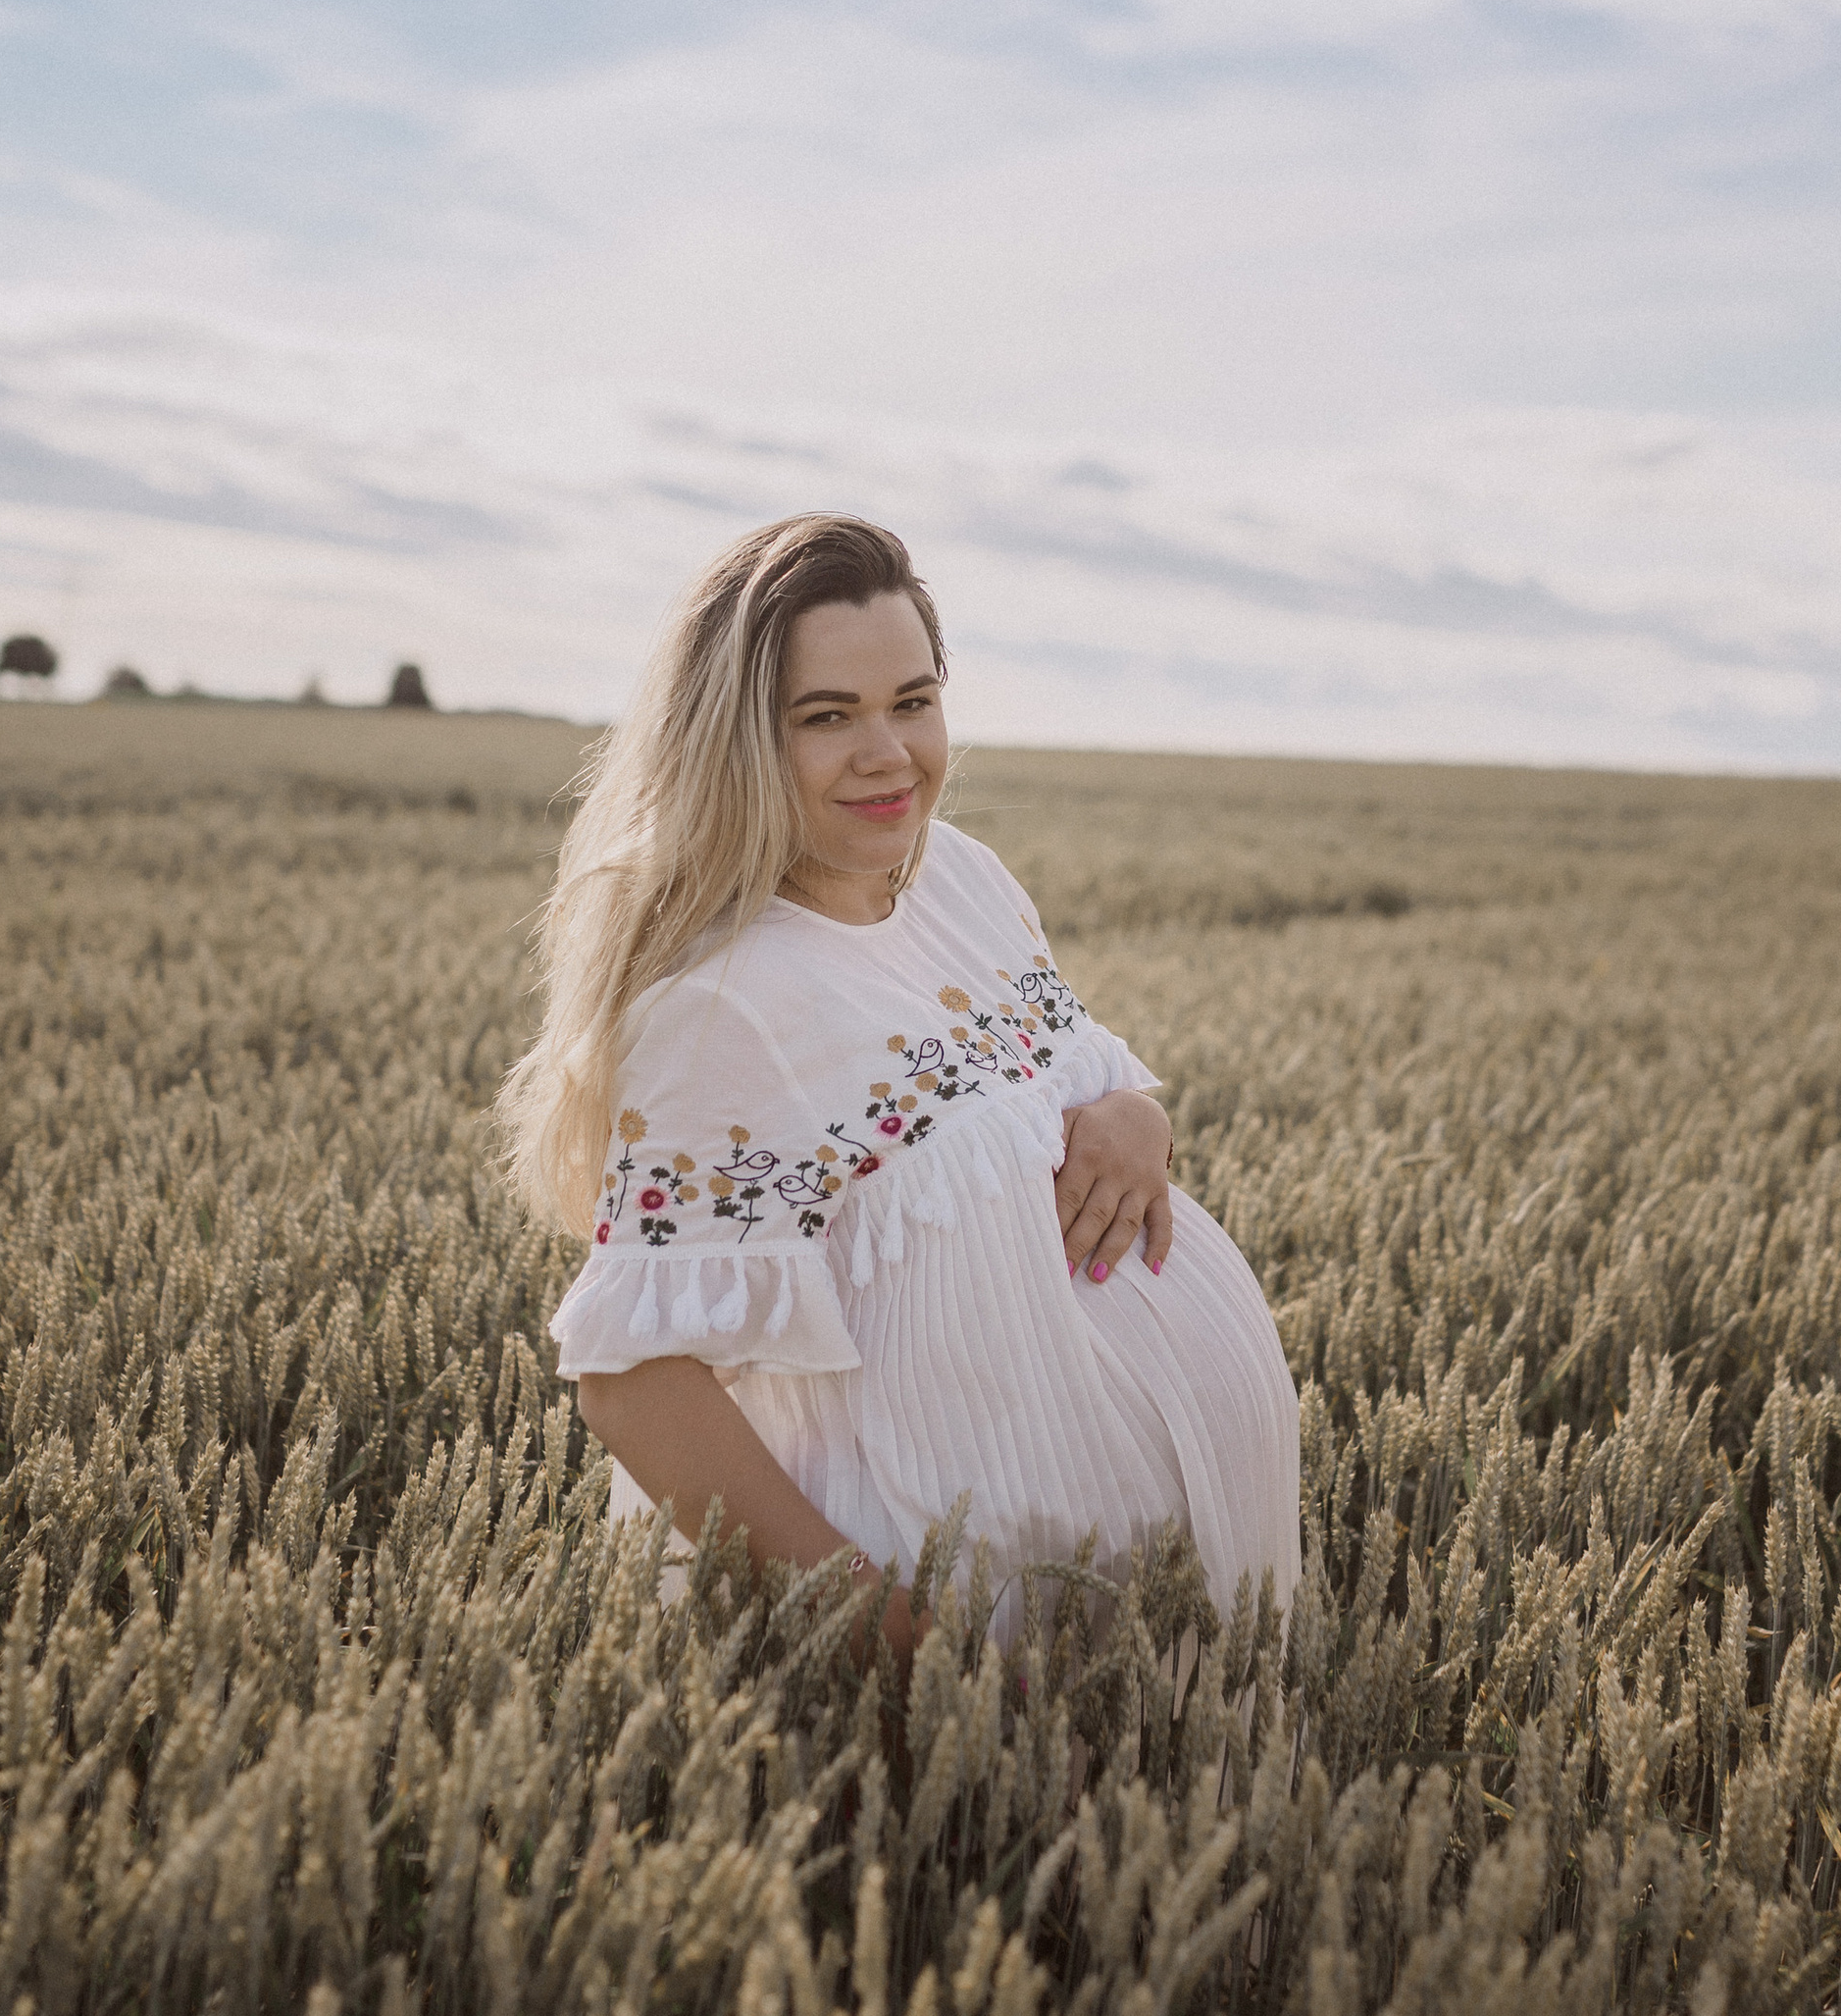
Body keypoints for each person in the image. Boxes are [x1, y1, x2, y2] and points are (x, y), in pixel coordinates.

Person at [499, 515, 1302, 1671]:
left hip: (1154, 1609)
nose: (888, 754)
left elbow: (1069, 1080)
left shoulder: (958, 878)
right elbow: (636, 1386)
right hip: (966, 1618)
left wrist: (1137, 1118)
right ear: (733, 740)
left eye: (911, 702)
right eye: (827, 717)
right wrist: (889, 1642)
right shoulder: (721, 1003)